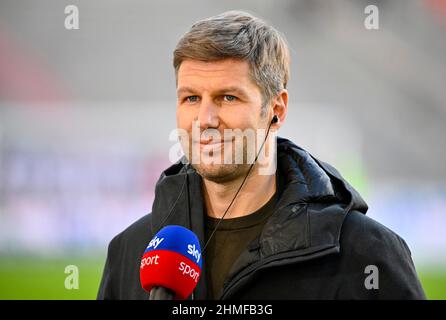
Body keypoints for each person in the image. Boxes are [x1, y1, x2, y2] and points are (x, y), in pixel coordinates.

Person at [97, 10, 426, 300]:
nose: (206, 120)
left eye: (228, 97)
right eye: (191, 98)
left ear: (276, 109)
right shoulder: (132, 251)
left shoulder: (366, 255)